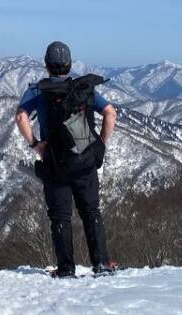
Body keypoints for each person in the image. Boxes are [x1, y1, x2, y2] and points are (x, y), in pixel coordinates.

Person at [15, 40, 118, 277]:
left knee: (60, 216)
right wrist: (100, 143)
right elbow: (110, 113)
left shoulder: (38, 89)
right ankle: (101, 264)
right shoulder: (83, 88)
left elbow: (21, 117)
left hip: (55, 162)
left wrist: (36, 145)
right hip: (85, 161)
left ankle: (66, 269)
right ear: (69, 65)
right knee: (91, 211)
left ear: (47, 65)